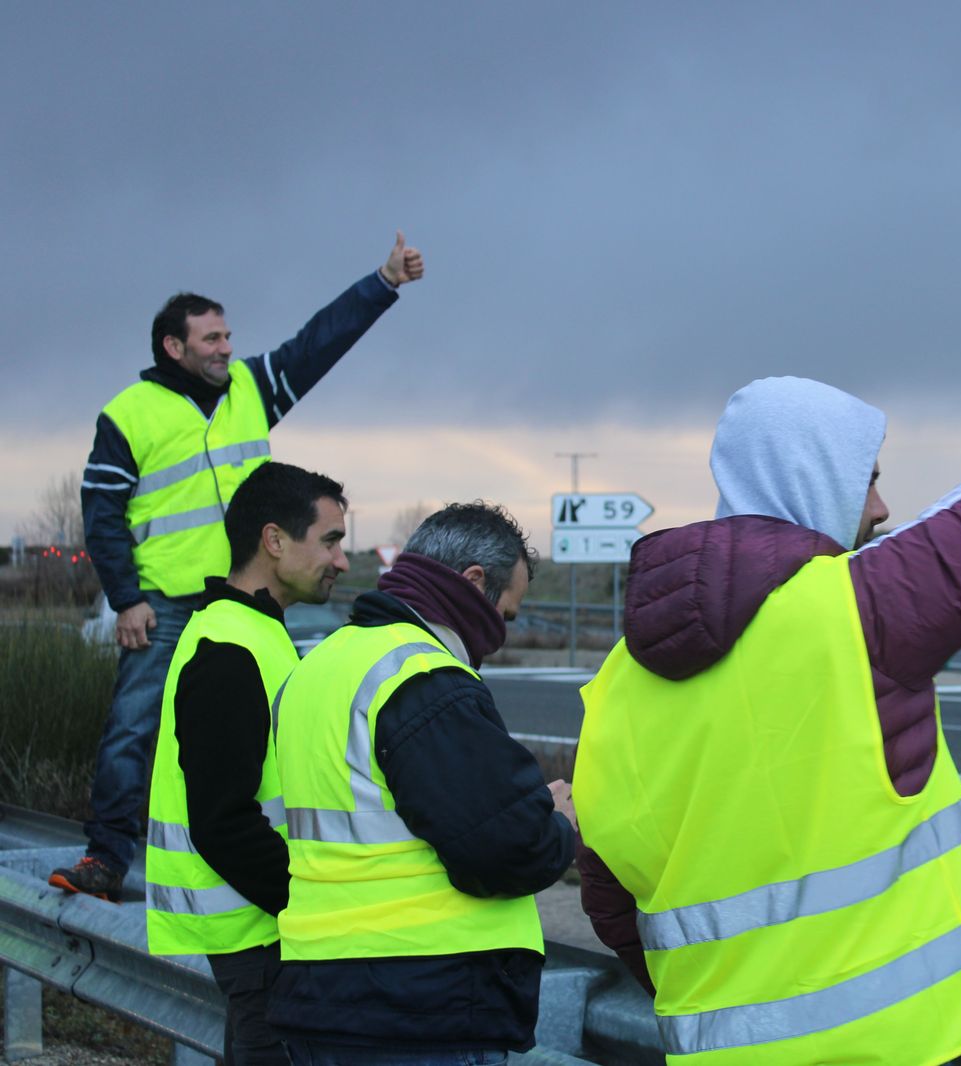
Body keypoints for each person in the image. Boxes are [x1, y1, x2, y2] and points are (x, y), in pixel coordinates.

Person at [573, 243, 961, 1065]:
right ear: (814, 476)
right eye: (868, 478)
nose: (886, 508)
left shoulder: (615, 684)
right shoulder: (856, 609)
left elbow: (613, 900)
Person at [54, 233, 425, 901]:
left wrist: (384, 281)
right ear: (175, 347)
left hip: (246, 602)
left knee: (273, 727)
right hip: (164, 605)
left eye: (229, 336)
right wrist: (125, 597)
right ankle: (106, 858)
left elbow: (318, 343)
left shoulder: (252, 388)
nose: (227, 347)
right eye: (212, 338)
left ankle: (286, 857)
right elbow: (102, 513)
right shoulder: (128, 414)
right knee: (134, 730)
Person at [267, 501, 576, 1065]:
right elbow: (505, 850)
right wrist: (555, 823)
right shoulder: (422, 676)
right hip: (419, 1004)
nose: (498, 636)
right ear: (473, 582)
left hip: (321, 992)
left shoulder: (316, 667)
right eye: (503, 615)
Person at [144, 461, 350, 1066]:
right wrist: (312, 900)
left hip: (265, 938)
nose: (341, 561)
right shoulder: (229, 647)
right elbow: (223, 822)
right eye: (331, 541)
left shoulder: (253, 632)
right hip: (261, 940)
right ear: (275, 540)